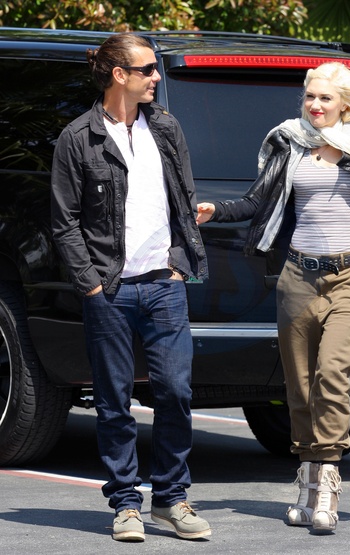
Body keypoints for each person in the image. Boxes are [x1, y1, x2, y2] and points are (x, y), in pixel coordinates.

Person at [197, 62, 350, 534]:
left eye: (324, 98)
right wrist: (217, 210)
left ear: (345, 104)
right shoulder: (289, 142)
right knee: (299, 386)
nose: (314, 104)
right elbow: (256, 200)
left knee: (333, 375)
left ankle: (327, 487)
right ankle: (307, 487)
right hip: (297, 277)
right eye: (309, 96)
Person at [51, 33, 210, 543]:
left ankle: (171, 498)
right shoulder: (79, 138)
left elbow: (183, 199)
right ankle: (125, 503)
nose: (156, 77)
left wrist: (179, 265)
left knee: (176, 392)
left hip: (165, 285)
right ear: (119, 75)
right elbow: (64, 223)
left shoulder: (165, 127)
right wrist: (91, 286)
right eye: (148, 69)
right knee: (114, 401)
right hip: (110, 290)